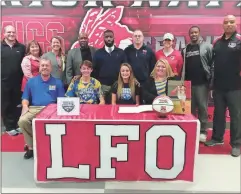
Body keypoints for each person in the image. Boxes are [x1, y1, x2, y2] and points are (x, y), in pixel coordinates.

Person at [205, 15, 241, 157]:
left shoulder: (239, 40)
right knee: (218, 114)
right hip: (219, 86)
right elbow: (214, 64)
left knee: (236, 116)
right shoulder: (217, 42)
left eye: (231, 22)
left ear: (236, 23)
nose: (229, 24)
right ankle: (217, 138)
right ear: (223, 25)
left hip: (236, 87)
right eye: (226, 22)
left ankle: (236, 144)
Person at [18, 58, 65, 159]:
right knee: (22, 121)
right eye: (42, 65)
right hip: (35, 108)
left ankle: (52, 147)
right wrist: (25, 106)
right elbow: (25, 98)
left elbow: (61, 101)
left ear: (51, 68)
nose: (44, 67)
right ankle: (31, 147)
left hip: (52, 109)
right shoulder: (31, 82)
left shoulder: (58, 83)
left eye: (47, 66)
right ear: (39, 68)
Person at [182, 26, 213, 143]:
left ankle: (203, 131)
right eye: (192, 33)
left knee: (202, 108)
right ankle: (191, 130)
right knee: (190, 109)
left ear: (199, 33)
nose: (194, 34)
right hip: (188, 84)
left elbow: (212, 64)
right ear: (189, 34)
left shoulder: (207, 47)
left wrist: (211, 80)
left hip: (202, 84)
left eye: (196, 32)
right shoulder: (186, 49)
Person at [1, 25, 26, 136]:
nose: (11, 34)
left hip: (18, 82)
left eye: (13, 32)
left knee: (17, 104)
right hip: (3, 82)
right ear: (4, 34)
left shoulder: (21, 47)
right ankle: (9, 127)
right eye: (9, 32)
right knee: (6, 104)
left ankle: (16, 125)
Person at [92, 29, 127, 104]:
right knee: (102, 109)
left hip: (118, 85)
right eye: (106, 37)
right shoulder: (98, 53)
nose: (108, 39)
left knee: (116, 107)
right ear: (103, 38)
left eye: (110, 37)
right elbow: (94, 70)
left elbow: (126, 69)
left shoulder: (121, 52)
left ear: (114, 38)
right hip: (102, 86)